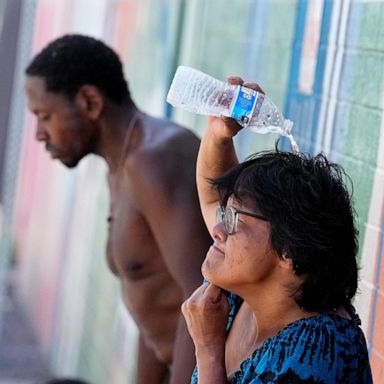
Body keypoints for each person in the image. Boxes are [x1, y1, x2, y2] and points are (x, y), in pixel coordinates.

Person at [24, 34, 211, 384]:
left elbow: (204, 295)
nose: (38, 133)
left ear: (89, 102)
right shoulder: (123, 164)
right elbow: (155, 300)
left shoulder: (152, 161)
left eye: (45, 116)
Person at [181, 77, 373, 383]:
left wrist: (208, 351)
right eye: (224, 213)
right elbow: (211, 195)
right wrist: (219, 134)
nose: (217, 229)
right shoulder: (248, 291)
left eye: (232, 218)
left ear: (288, 252)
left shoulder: (317, 357)